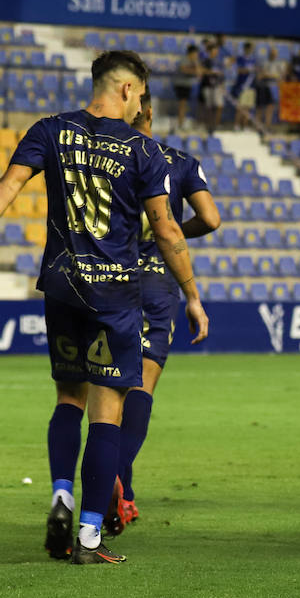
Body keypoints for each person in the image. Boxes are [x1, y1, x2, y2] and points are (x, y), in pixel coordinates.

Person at [0, 50, 208, 566]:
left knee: (69, 398)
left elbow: (9, 185)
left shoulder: (51, 129)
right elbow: (167, 228)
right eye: (140, 98)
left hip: (63, 287)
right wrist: (193, 296)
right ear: (130, 91)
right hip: (115, 295)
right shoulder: (143, 151)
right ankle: (89, 535)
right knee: (106, 412)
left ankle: (61, 495)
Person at [107, 88, 220, 535]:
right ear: (151, 113)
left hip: (109, 276)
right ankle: (120, 480)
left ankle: (119, 490)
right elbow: (210, 219)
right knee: (142, 387)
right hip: (157, 280)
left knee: (106, 391)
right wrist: (169, 234)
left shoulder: (106, 157)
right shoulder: (180, 160)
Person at [172, 45, 202, 129]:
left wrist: (196, 64)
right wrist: (194, 71)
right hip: (181, 84)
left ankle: (181, 123)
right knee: (182, 104)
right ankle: (180, 124)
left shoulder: (195, 61)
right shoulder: (184, 59)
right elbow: (184, 70)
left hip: (188, 85)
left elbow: (199, 72)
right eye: (196, 53)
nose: (197, 55)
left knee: (184, 105)